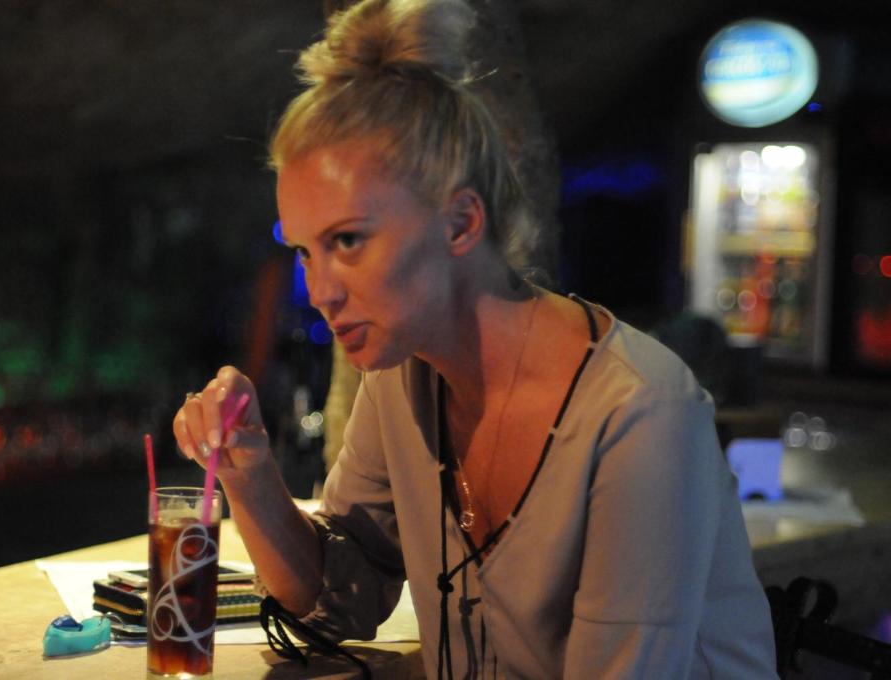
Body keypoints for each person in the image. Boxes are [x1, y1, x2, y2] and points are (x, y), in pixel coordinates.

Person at [174, 0, 778, 677]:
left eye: (347, 241)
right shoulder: (400, 373)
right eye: (305, 252)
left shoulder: (639, 411)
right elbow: (343, 597)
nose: (320, 291)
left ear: (460, 223)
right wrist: (248, 472)